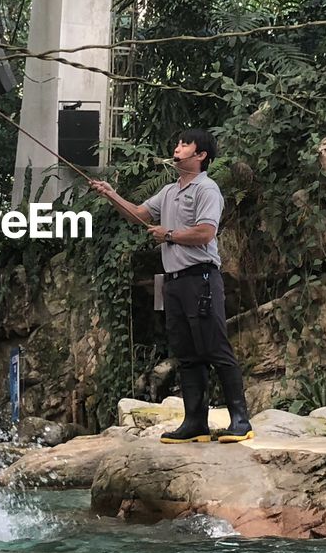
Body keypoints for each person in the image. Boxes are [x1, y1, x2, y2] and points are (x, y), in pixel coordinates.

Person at [90, 128, 253, 443]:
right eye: (176, 142)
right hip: (173, 282)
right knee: (186, 352)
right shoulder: (168, 191)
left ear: (201, 155)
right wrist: (110, 193)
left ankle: (241, 420)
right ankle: (195, 423)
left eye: (184, 144)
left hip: (201, 277)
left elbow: (206, 233)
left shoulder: (207, 189)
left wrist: (169, 235)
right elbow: (138, 215)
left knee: (215, 347)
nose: (177, 147)